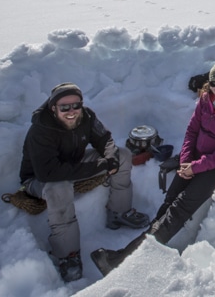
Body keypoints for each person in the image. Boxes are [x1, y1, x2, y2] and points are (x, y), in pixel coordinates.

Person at [91, 62, 215, 276]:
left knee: (178, 209)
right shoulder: (206, 99)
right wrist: (186, 160)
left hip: (214, 167)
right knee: (168, 202)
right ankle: (142, 253)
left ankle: (122, 260)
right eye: (214, 82)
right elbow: (192, 131)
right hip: (193, 160)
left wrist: (196, 167)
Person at [20, 82, 149, 282]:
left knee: (123, 154)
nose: (71, 111)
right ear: (53, 108)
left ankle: (119, 212)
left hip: (74, 162)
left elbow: (104, 139)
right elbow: (49, 173)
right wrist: (100, 166)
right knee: (60, 187)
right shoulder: (41, 130)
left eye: (76, 105)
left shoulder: (86, 116)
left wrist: (111, 157)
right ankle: (67, 254)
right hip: (39, 179)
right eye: (64, 107)